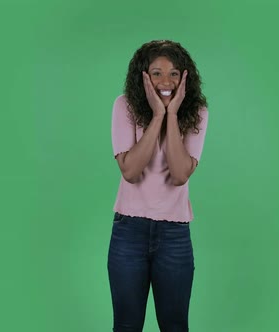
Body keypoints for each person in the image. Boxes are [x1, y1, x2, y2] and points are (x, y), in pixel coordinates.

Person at [107, 40, 209, 332]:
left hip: (174, 235)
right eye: (157, 73)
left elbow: (179, 175)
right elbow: (130, 170)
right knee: (126, 326)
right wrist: (158, 116)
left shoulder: (197, 112)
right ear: (143, 76)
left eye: (174, 74)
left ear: (185, 77)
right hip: (129, 232)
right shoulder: (124, 106)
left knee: (175, 326)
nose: (166, 81)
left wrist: (173, 115)